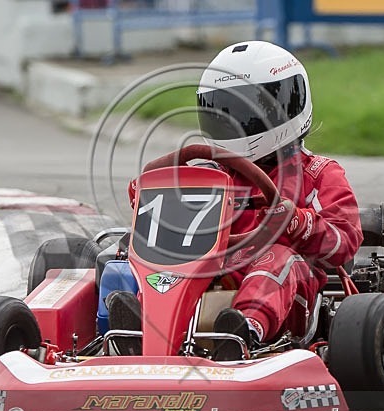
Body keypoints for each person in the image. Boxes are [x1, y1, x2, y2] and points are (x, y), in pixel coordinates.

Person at [108, 40, 363, 360]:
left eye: (249, 111)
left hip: (287, 297)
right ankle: (138, 335)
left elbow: (345, 242)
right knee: (141, 260)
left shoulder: (319, 174)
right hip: (207, 276)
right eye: (224, 110)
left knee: (277, 257)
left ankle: (244, 333)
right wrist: (151, 195)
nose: (236, 121)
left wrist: (300, 222)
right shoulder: (208, 175)